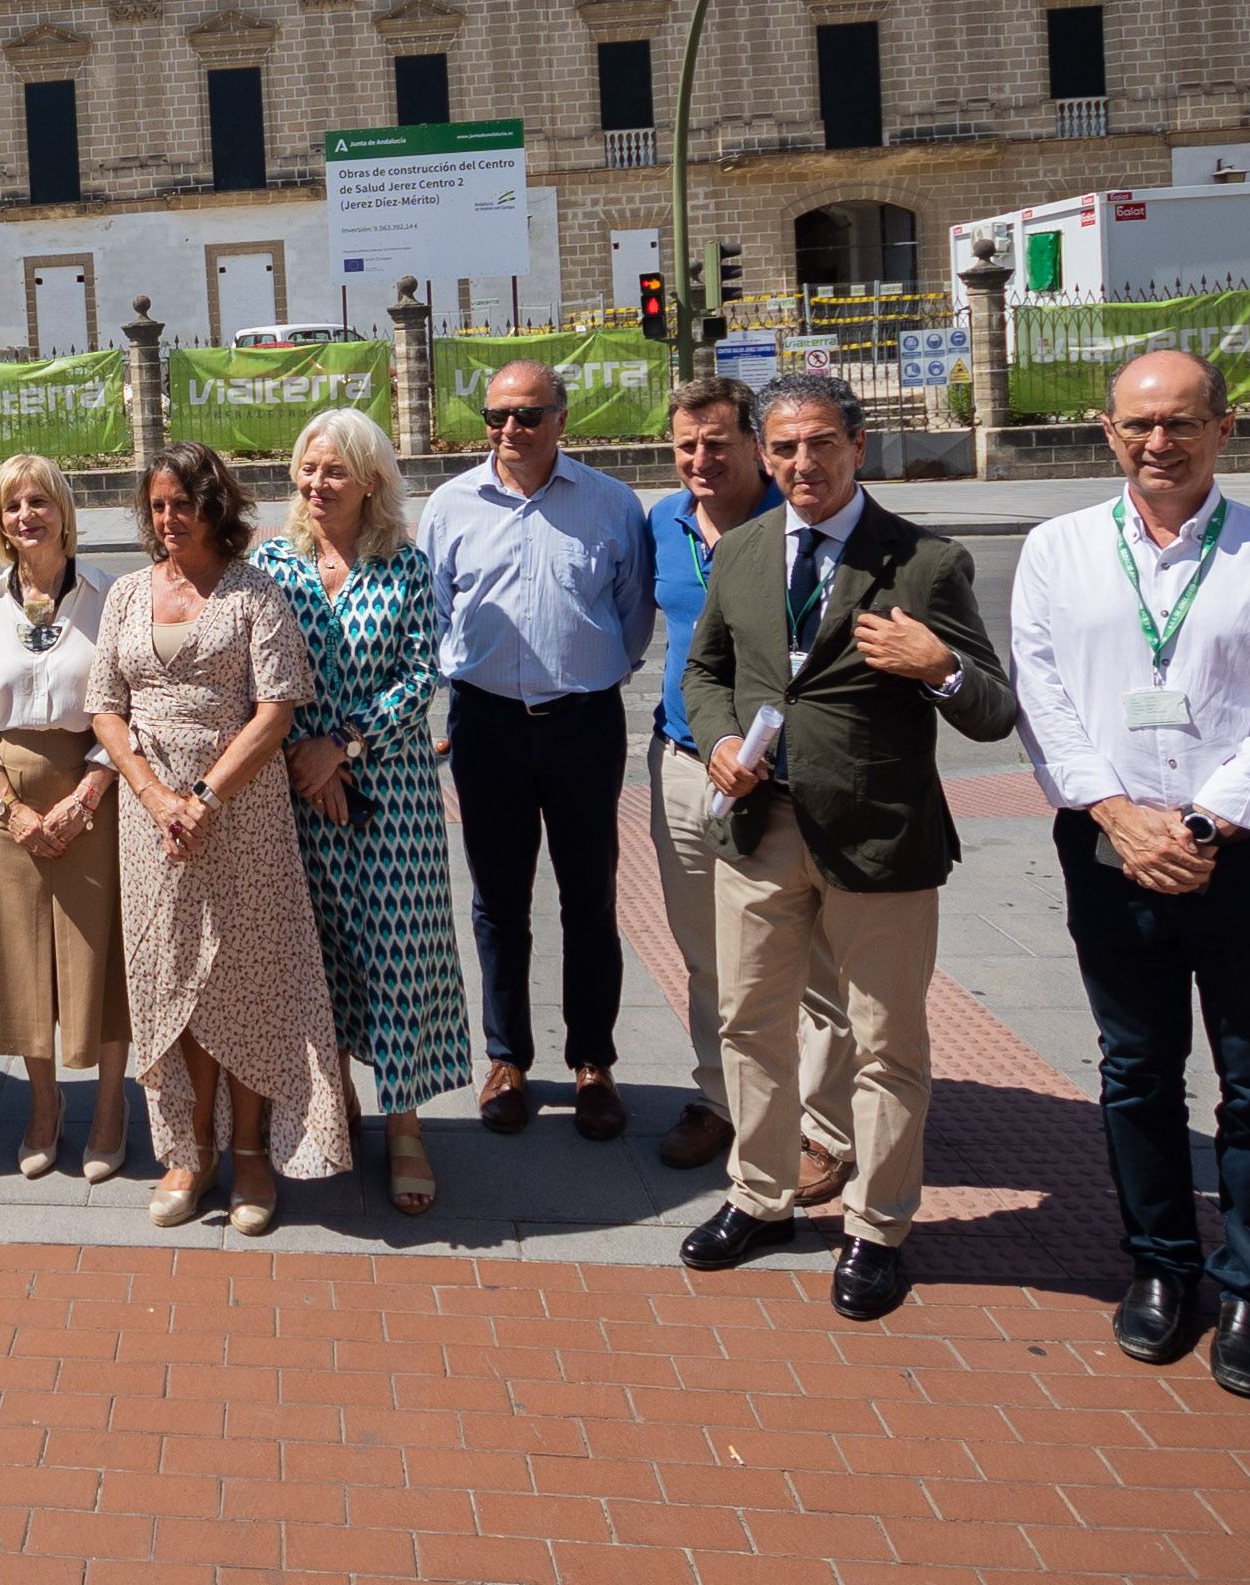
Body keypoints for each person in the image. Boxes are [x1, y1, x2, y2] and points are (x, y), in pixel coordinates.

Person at [1009, 350, 1250, 1400]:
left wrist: (1200, 823)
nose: (1161, 442)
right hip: (1109, 853)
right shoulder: (1057, 550)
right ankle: (1161, 1264)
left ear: (1225, 430)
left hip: (1245, 857)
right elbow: (1042, 695)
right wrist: (1118, 815)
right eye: (1140, 424)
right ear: (1107, 431)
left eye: (1183, 422)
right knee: (1137, 1072)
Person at [681, 373, 1015, 1321]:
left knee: (885, 1042)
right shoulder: (743, 551)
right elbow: (707, 671)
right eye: (782, 448)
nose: (800, 465)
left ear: (858, 446)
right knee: (750, 1024)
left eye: (819, 444)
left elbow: (996, 711)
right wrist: (714, 741)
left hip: (878, 840)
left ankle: (877, 1227)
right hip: (760, 831)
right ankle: (761, 1197)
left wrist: (940, 668)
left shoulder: (923, 562)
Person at [86, 440, 350, 1237]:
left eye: (183, 504)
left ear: (216, 508)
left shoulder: (253, 593)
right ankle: (188, 1151)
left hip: (241, 815)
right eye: (158, 506)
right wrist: (154, 794)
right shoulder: (128, 593)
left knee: (248, 980)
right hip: (151, 822)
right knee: (173, 980)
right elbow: (105, 704)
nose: (169, 519)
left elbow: (277, 710)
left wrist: (202, 797)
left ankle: (253, 1158)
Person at [413, 357, 654, 1142]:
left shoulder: (613, 506)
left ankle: (593, 1064)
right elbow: (433, 614)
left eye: (527, 415)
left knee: (590, 900)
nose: (509, 430)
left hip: (584, 724)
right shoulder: (450, 507)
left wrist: (580, 674)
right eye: (496, 417)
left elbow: (631, 619)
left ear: (561, 418)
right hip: (487, 725)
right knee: (497, 903)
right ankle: (507, 1059)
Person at [642, 377, 859, 1193]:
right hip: (687, 764)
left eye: (717, 444)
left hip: (788, 778)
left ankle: (825, 1129)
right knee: (707, 951)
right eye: (685, 445)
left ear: (755, 449)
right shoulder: (660, 523)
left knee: (813, 964)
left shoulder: (797, 516)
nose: (700, 459)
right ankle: (723, 1100)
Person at [254, 408, 468, 1216]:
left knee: (397, 954)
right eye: (308, 469)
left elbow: (422, 675)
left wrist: (341, 746)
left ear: (371, 481)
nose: (317, 485)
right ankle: (333, 1100)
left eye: (335, 471)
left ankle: (405, 1123)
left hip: (391, 798)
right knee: (319, 949)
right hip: (300, 796)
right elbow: (260, 671)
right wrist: (306, 760)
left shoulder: (404, 567)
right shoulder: (273, 566)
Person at [0, 451, 132, 1182]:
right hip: (6, 800)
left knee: (100, 954)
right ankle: (44, 1106)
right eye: (11, 505)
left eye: (39, 501)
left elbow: (128, 705)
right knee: (22, 958)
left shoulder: (109, 596)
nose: (26, 515)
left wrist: (88, 792)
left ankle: (113, 1108)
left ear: (65, 511)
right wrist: (8, 805)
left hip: (93, 788)